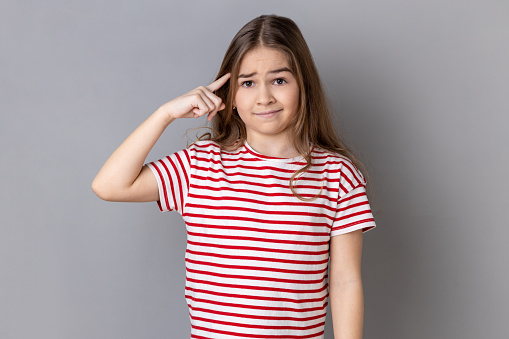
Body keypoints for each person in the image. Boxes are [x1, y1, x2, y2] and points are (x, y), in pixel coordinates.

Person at [92, 14, 376, 339]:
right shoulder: (198, 166)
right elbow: (109, 185)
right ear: (231, 95)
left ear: (304, 85)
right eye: (248, 82)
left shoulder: (337, 174)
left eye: (280, 80)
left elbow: (345, 281)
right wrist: (165, 114)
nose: (264, 96)